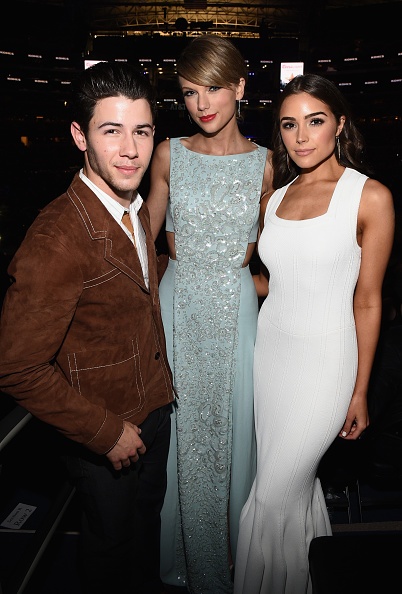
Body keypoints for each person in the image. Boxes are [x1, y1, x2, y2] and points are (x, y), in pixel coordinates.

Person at [0, 61, 174, 594]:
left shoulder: (134, 207)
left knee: (144, 537)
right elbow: (17, 367)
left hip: (154, 410)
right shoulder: (56, 237)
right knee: (110, 554)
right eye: (111, 131)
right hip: (105, 432)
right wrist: (105, 433)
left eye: (142, 131)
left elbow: (129, 285)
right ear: (80, 136)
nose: (130, 150)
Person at [234, 73, 395, 594]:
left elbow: (368, 300)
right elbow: (272, 281)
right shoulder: (275, 199)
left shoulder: (370, 197)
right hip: (271, 357)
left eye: (315, 121)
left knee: (273, 495)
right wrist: (211, 280)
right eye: (289, 125)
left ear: (340, 124)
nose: (301, 136)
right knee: (294, 491)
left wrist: (360, 390)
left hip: (328, 361)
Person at [146, 35, 273, 593]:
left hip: (237, 313)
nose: (201, 104)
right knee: (177, 433)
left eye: (214, 88)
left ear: (241, 87)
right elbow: (143, 239)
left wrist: (259, 288)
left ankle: (229, 562)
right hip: (177, 305)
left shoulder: (268, 166)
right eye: (189, 92)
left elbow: (280, 254)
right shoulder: (168, 153)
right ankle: (179, 559)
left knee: (233, 433)